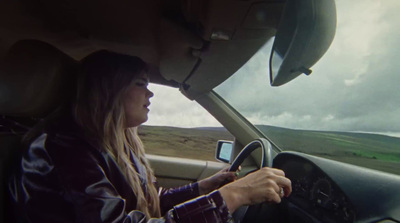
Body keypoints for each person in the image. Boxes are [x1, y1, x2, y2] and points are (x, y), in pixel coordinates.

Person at [10, 50, 292, 222]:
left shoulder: (112, 139)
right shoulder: (63, 149)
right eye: (140, 83)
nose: (151, 92)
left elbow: (144, 200)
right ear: (110, 90)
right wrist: (234, 194)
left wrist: (204, 188)